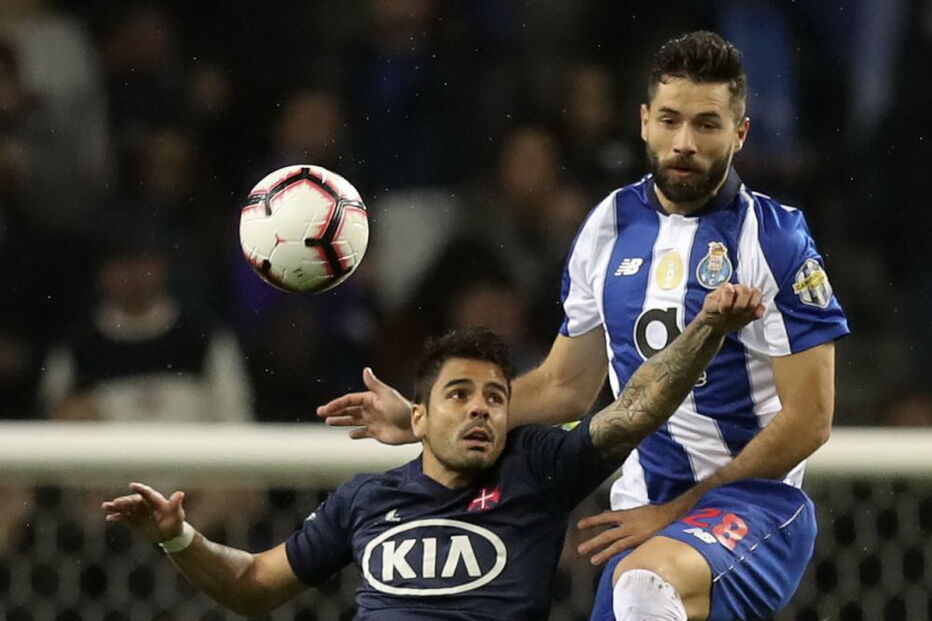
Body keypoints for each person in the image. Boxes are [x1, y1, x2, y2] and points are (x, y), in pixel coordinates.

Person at [319, 32, 850, 621]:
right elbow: (564, 385)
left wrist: (679, 511)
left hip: (756, 506)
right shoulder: (609, 224)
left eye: (707, 125)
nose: (684, 143)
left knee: (646, 587)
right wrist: (425, 418)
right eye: (670, 121)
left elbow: (810, 419)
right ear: (644, 122)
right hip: (640, 516)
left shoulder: (774, 239)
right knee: (639, 589)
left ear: (740, 134)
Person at [103, 284, 762, 619]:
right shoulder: (366, 498)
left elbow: (634, 409)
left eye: (496, 397)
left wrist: (706, 328)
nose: (482, 407)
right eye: (460, 393)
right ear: (417, 417)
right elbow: (252, 586)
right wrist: (178, 535)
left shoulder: (536, 467)